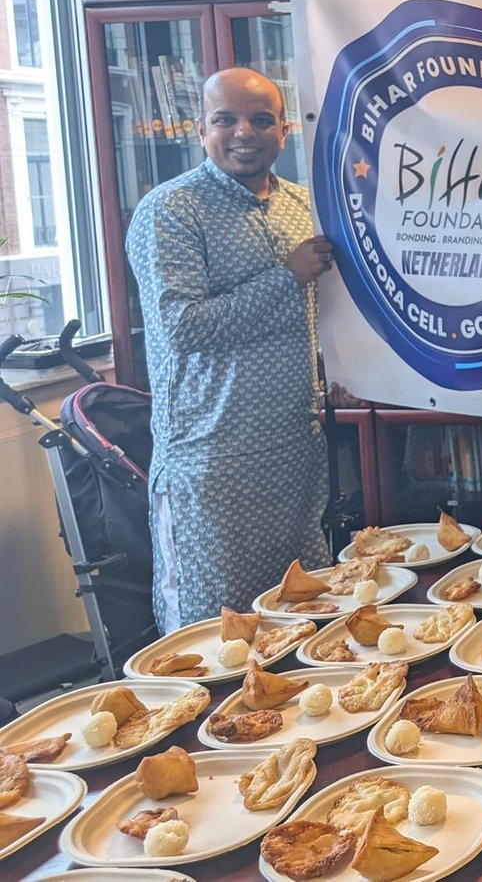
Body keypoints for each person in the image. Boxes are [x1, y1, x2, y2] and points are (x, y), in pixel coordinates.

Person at [126, 67, 335, 632]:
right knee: (214, 627)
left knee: (303, 619)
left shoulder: (304, 206)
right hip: (212, 462)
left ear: (283, 132)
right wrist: (285, 277)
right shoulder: (171, 210)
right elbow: (182, 327)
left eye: (261, 120)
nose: (244, 132)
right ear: (201, 129)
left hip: (294, 449)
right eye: (226, 119)